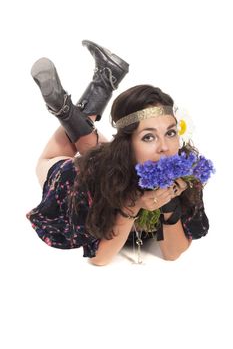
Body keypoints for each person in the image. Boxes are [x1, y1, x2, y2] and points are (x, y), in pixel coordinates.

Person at [26, 40, 209, 266]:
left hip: (114, 159)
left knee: (98, 149)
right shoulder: (91, 176)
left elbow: (172, 253)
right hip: (74, 177)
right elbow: (100, 259)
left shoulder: (186, 173)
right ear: (127, 145)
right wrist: (135, 204)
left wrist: (169, 206)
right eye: (149, 137)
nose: (165, 146)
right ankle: (73, 103)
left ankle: (86, 94)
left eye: (170, 133)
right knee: (44, 162)